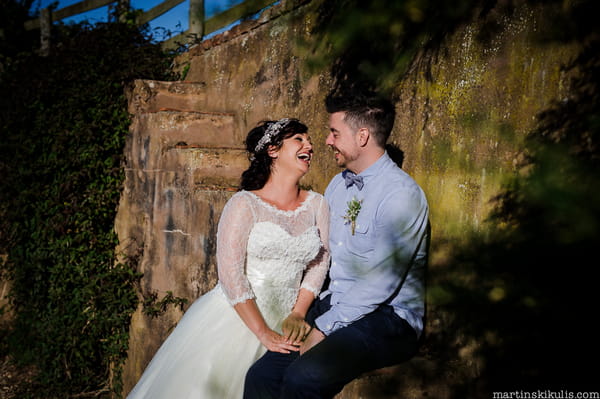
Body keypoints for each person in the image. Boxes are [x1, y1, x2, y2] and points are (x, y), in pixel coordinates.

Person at [244, 89, 430, 398]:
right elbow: (320, 252)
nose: (327, 141)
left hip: (389, 317)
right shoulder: (337, 185)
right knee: (261, 376)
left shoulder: (401, 195)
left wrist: (324, 328)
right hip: (336, 301)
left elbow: (380, 283)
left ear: (361, 136)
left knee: (305, 378)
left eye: (334, 132)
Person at [127, 118, 330, 399]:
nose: (309, 144)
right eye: (299, 139)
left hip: (290, 318)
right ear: (272, 150)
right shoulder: (244, 204)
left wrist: (298, 312)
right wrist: (262, 333)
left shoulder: (318, 204)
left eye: (309, 140)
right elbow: (231, 274)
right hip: (238, 317)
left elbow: (321, 261)